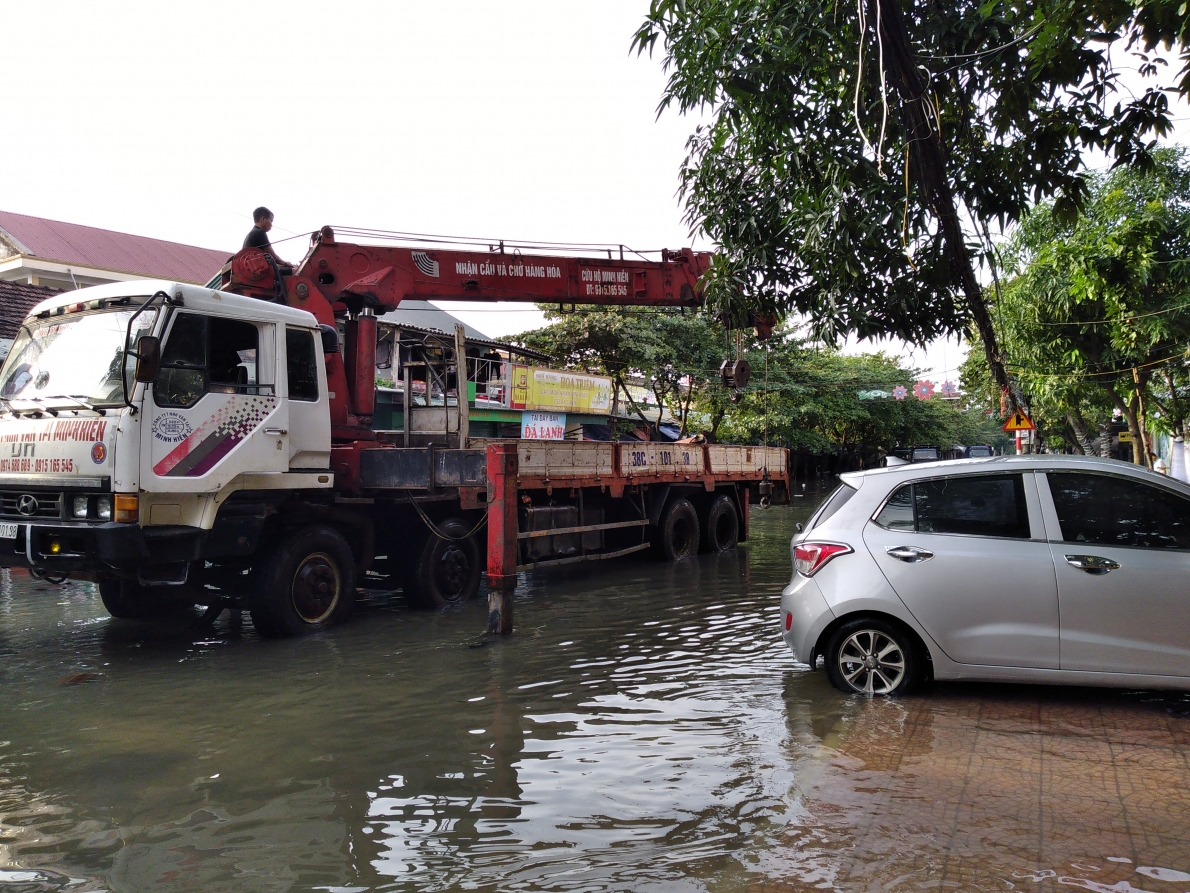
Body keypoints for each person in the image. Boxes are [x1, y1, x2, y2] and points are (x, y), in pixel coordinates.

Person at [243, 207, 291, 272]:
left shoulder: (250, 235)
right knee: (292, 271)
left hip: (252, 270)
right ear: (263, 219)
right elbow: (273, 256)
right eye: (271, 221)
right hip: (259, 272)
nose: (271, 225)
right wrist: (286, 263)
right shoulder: (260, 233)